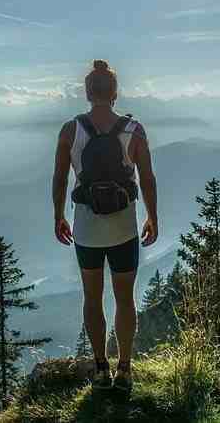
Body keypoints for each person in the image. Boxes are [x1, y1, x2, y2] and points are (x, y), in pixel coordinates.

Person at [52, 59, 159, 397]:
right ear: (115, 93)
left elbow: (59, 177)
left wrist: (59, 216)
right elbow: (147, 178)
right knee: (125, 299)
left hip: (86, 228)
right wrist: (152, 217)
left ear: (87, 92)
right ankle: (124, 369)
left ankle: (100, 369)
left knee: (92, 298)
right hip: (124, 228)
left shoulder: (71, 130)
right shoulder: (135, 130)